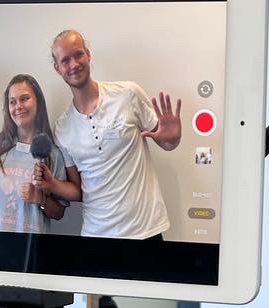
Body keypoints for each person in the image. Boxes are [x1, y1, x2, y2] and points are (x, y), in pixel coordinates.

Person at [48, 30, 181, 238]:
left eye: (78, 54)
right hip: (97, 234)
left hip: (145, 230)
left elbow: (167, 142)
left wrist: (173, 138)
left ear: (88, 54)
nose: (74, 64)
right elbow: (78, 190)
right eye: (65, 60)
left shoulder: (127, 94)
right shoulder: (62, 128)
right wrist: (51, 184)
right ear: (57, 68)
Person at [0, 74, 80, 233]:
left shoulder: (52, 154)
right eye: (12, 101)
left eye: (24, 99)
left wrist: (40, 198)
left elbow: (59, 213)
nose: (18, 106)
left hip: (28, 246)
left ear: (38, 102)